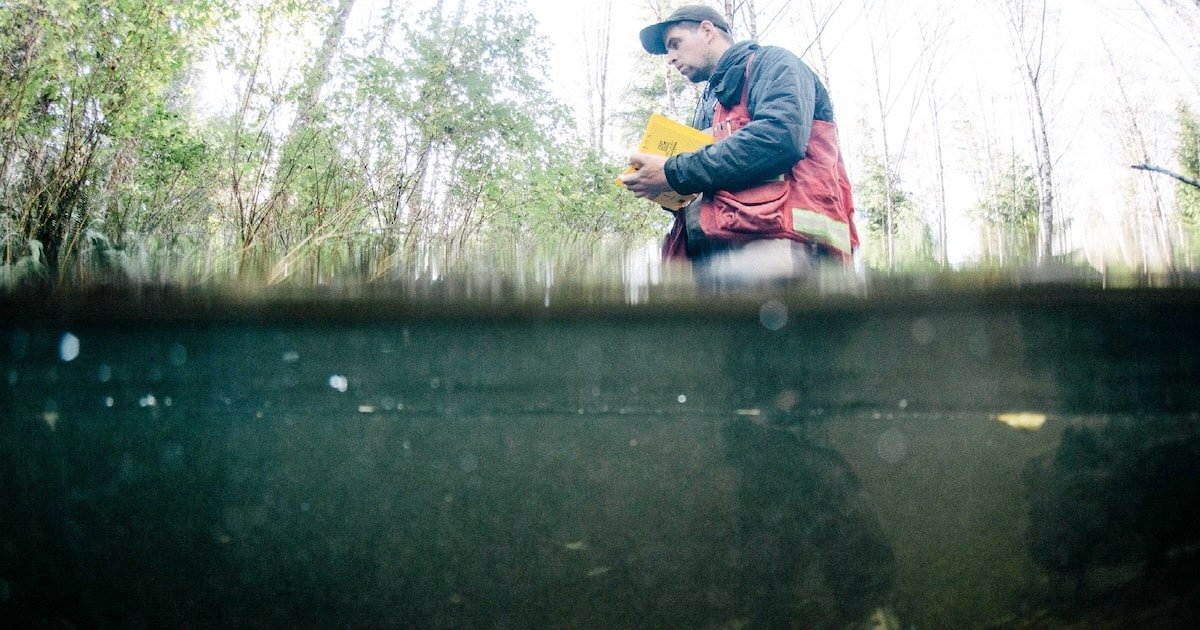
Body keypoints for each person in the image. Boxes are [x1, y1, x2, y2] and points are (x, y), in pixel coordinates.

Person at [619, 4, 858, 288]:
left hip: (791, 253)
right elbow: (713, 175)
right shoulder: (709, 106)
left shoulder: (775, 64)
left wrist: (672, 171)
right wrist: (664, 186)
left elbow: (779, 138)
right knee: (662, 295)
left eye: (675, 44)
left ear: (707, 31)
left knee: (675, 296)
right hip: (726, 256)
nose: (670, 58)